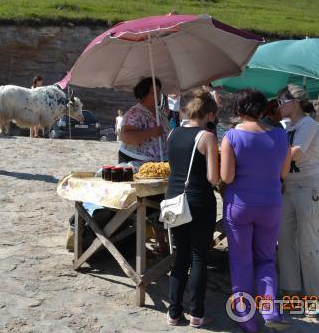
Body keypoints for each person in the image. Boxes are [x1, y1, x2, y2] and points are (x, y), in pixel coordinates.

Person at [220, 90, 291, 332]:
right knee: (267, 260)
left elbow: (227, 177)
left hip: (240, 205)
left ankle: (247, 320)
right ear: (263, 111)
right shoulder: (281, 137)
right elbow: (283, 174)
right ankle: (271, 310)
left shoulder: (231, 137)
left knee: (241, 262)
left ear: (238, 111)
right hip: (271, 204)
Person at [165, 90, 219, 328]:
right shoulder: (206, 137)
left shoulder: (173, 134)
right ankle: (196, 314)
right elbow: (214, 178)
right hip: (198, 201)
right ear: (209, 114)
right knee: (198, 257)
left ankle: (174, 312)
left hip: (174, 200)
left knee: (180, 256)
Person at [276, 85, 319, 314]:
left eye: (281, 102)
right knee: (286, 241)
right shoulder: (287, 126)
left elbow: (295, 153)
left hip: (307, 188)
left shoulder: (308, 124)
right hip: (289, 188)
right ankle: (291, 292)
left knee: (309, 244)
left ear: (294, 102)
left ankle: (318, 297)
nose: (278, 106)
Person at [119, 77, 169, 163]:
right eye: (153, 92)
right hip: (136, 160)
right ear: (143, 95)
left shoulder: (160, 112)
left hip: (159, 161)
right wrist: (151, 132)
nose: (157, 95)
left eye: (158, 92)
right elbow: (126, 137)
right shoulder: (134, 113)